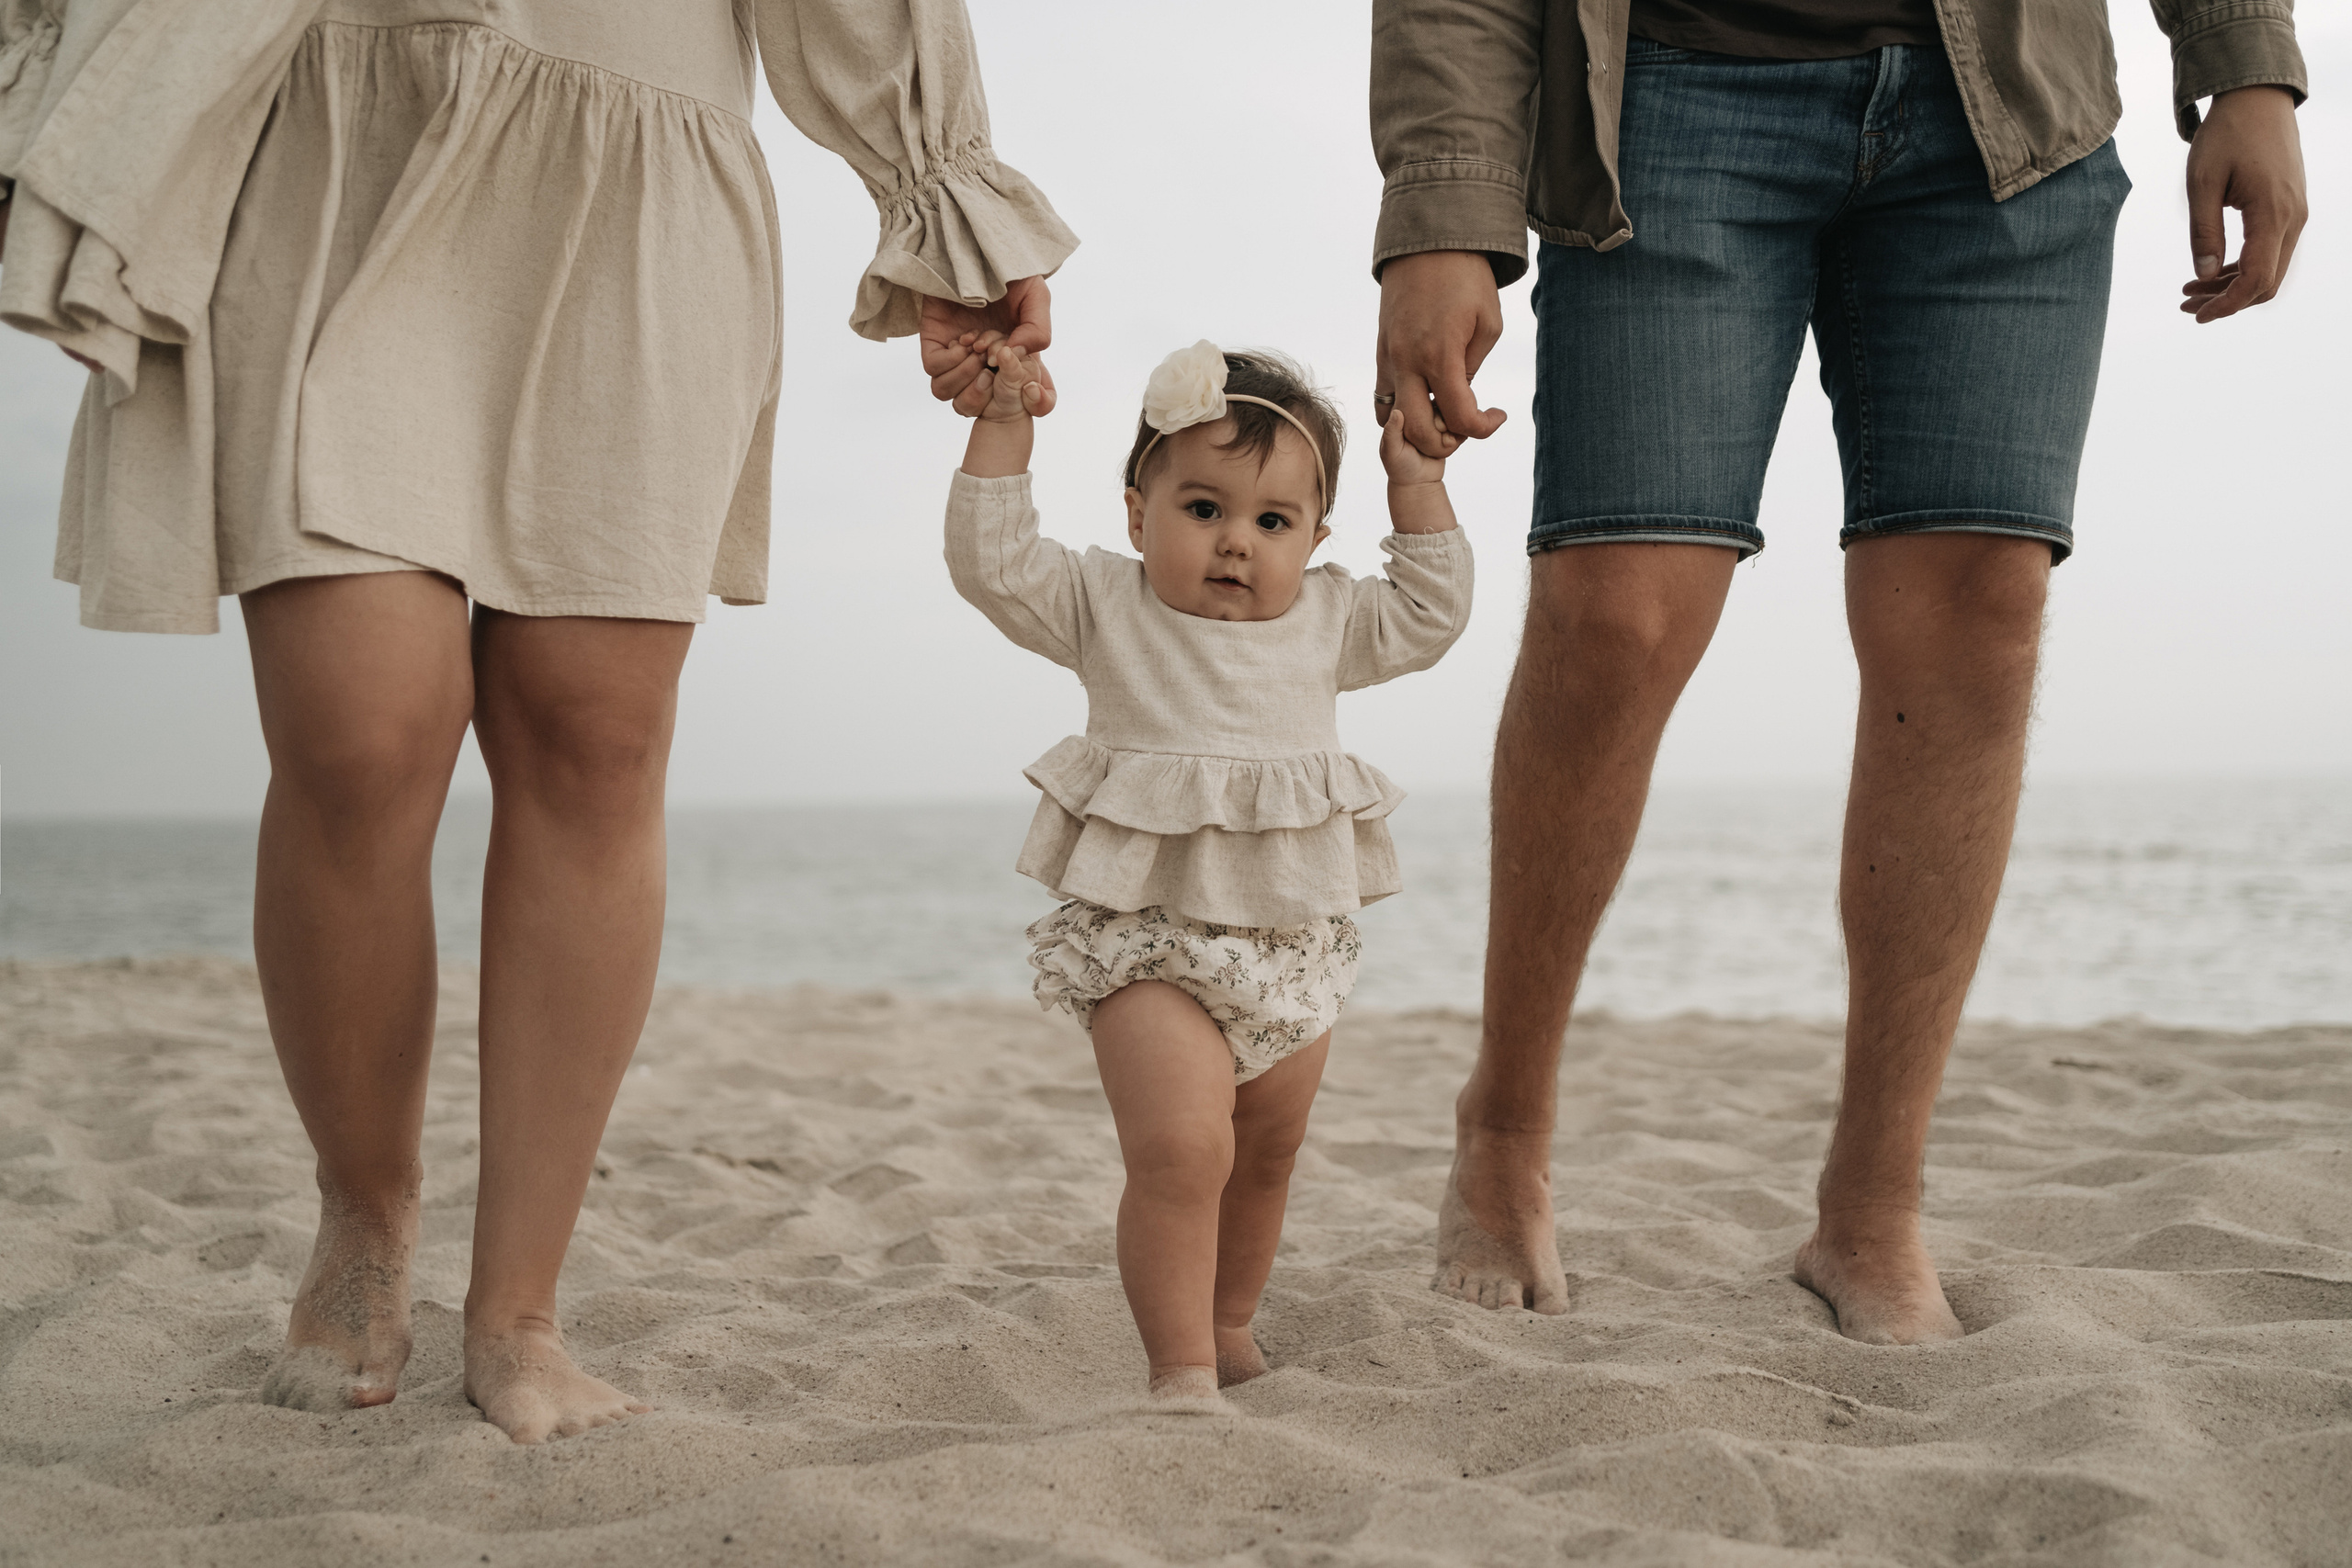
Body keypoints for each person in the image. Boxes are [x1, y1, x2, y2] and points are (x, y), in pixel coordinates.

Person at [0, 0, 1074, 1442]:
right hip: (340, 126)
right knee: (360, 733)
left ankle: (518, 1304)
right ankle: (364, 1208)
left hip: (633, 159)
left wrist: (933, 189)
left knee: (594, 741)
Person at [1367, 0, 2308, 1339]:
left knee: (1981, 614)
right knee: (1613, 621)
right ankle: (1504, 1125)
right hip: (1667, 102)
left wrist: (2246, 65)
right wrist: (1445, 204)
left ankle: (1873, 1200)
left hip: (2006, 114)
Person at [945, 340, 1472, 1397]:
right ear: (1138, 513)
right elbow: (992, 563)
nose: (1237, 542)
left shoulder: (1329, 618)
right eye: (1202, 509)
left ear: (1314, 538)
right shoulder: (1105, 603)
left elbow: (1430, 614)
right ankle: (1179, 1370)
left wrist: (1417, 487)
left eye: (1272, 522)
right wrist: (1003, 425)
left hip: (1292, 939)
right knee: (1185, 1153)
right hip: (1146, 938)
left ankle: (1229, 1323)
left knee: (1264, 1155)